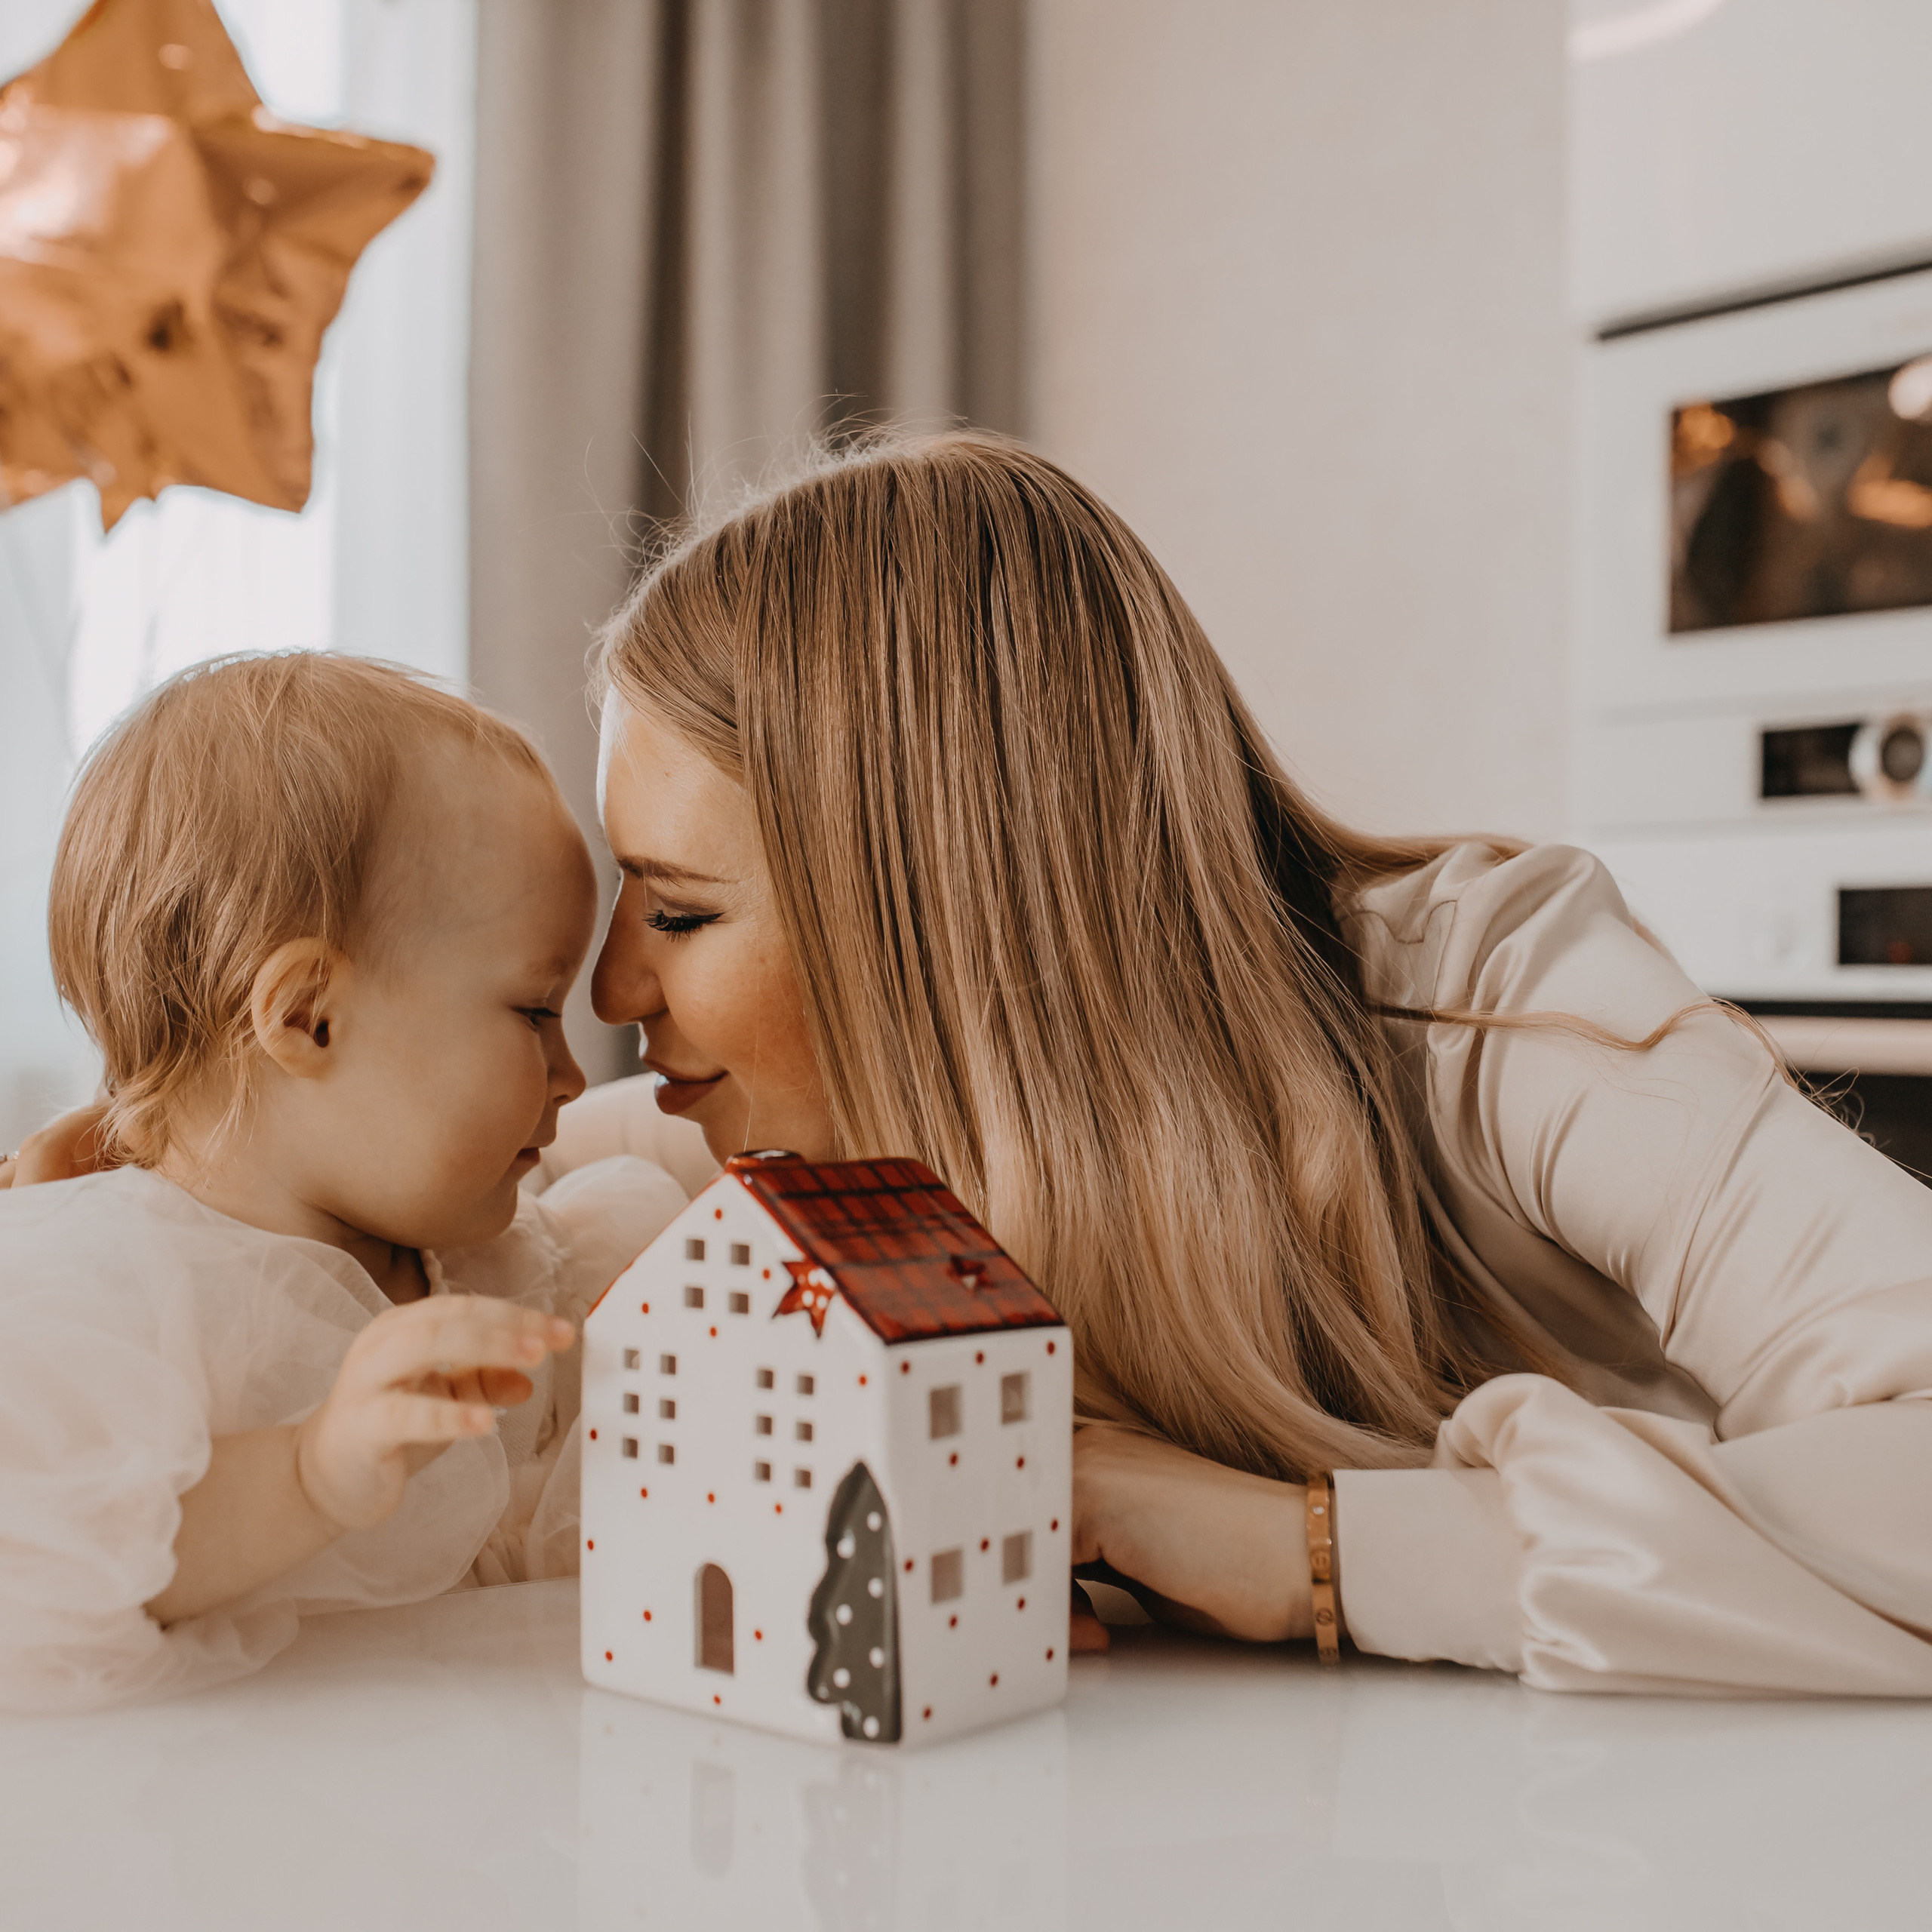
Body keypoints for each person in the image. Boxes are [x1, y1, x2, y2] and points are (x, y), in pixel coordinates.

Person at [570, 432, 1932, 1694]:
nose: (611, 990)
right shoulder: (758, 1128)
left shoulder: (1491, 1013)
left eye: (679, 912)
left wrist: (1315, 1553)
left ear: (937, 916)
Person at [0, 654, 685, 1712]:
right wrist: (311, 1473)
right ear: (309, 1017)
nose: (571, 1074)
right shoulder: (127, 1292)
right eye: (534, 1012)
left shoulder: (500, 1249)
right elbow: (73, 1555)